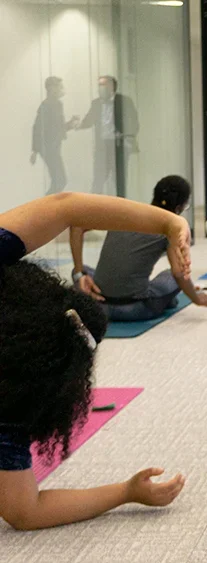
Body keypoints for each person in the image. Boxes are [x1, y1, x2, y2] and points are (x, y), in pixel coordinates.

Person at [0, 192, 188, 531]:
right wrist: (125, 493)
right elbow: (26, 512)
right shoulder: (7, 418)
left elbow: (65, 207)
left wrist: (168, 223)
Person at [70, 176, 207, 321]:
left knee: (81, 271)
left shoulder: (123, 214)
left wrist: (79, 272)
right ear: (178, 208)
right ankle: (167, 301)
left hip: (99, 305)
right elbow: (178, 273)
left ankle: (85, 286)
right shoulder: (170, 229)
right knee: (170, 275)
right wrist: (196, 298)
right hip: (134, 308)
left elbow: (77, 225)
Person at [76, 76, 139, 196]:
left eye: (103, 85)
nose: (100, 89)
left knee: (119, 180)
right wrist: (78, 125)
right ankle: (93, 208)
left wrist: (124, 134)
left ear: (111, 87)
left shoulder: (124, 101)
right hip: (102, 146)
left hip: (119, 145)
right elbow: (88, 121)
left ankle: (122, 208)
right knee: (98, 179)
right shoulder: (96, 103)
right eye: (99, 85)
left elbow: (134, 123)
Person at [30, 77, 79, 195]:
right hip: (48, 147)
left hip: (53, 146)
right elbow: (38, 128)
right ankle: (45, 207)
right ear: (51, 88)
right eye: (59, 86)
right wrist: (35, 151)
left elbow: (57, 128)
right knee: (60, 180)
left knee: (59, 180)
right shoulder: (47, 105)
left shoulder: (56, 104)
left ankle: (47, 206)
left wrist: (70, 125)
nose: (61, 89)